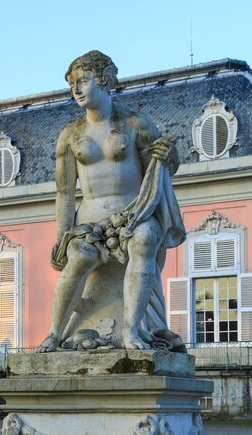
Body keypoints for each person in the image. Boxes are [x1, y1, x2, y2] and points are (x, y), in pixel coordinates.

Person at [37, 51, 185, 353]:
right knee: (78, 257)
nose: (76, 90)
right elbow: (64, 192)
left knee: (144, 240)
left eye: (83, 81)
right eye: (72, 85)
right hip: (89, 223)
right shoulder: (70, 135)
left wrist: (168, 156)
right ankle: (54, 333)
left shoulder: (134, 124)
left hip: (133, 215)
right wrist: (61, 237)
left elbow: (161, 169)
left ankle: (131, 331)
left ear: (104, 80)